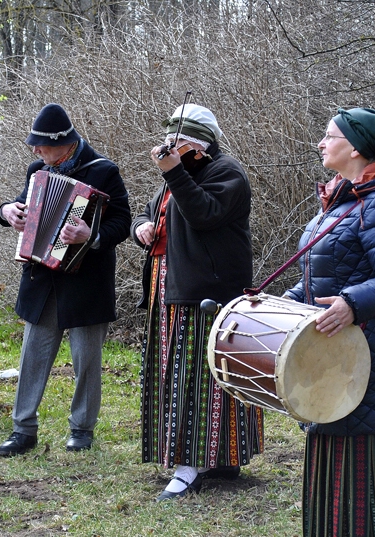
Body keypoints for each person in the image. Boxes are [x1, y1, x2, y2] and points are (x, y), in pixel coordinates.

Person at [284, 108, 375, 537]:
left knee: (366, 483)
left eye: (328, 136)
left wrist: (351, 304)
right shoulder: (341, 203)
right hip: (336, 358)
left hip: (370, 360)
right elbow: (317, 282)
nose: (320, 143)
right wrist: (271, 306)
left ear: (354, 148)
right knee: (331, 479)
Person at [131, 103, 264, 501]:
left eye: (179, 142)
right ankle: (211, 458)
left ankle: (196, 464)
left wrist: (173, 171)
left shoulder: (226, 172)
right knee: (181, 376)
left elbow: (204, 213)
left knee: (204, 378)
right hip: (172, 290)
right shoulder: (182, 173)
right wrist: (141, 226)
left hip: (208, 291)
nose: (170, 148)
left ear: (200, 144)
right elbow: (150, 208)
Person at [0, 103, 131, 456]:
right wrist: (6, 211)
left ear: (66, 144)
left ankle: (82, 430)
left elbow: (123, 222)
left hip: (87, 283)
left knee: (86, 359)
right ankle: (23, 429)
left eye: (42, 147)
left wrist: (92, 234)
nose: (36, 152)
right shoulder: (36, 170)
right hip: (42, 281)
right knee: (32, 357)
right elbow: (21, 206)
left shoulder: (104, 171)